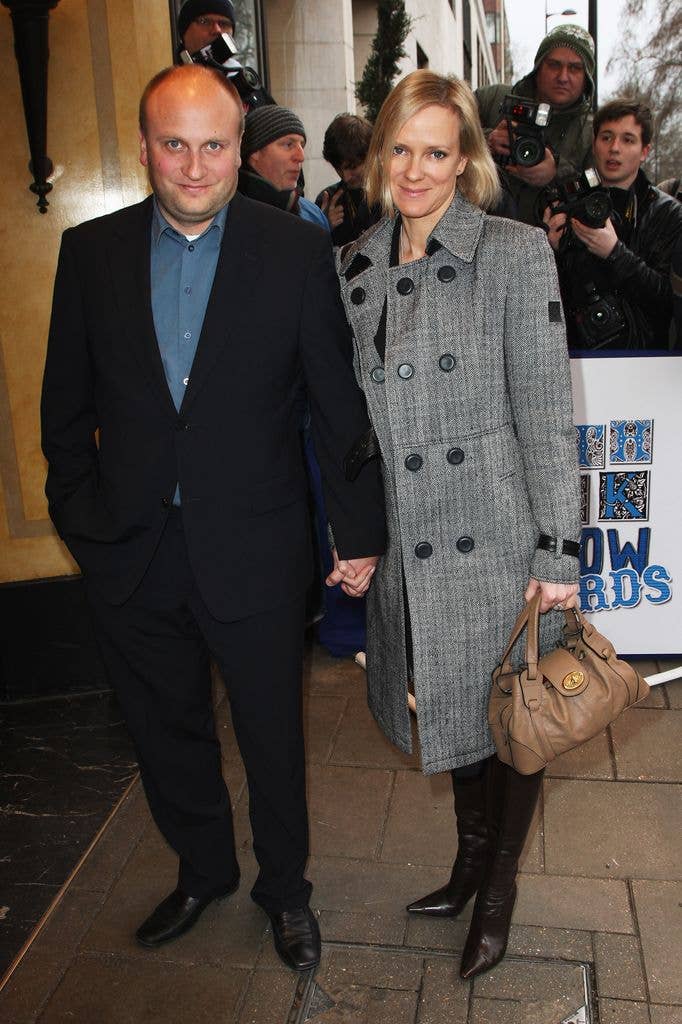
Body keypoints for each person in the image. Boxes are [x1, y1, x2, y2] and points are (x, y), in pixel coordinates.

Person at [40, 65, 385, 971]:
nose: (195, 167)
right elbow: (64, 414)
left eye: (215, 145)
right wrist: (83, 521)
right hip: (133, 550)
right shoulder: (90, 254)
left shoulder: (297, 252)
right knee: (166, 729)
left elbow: (335, 405)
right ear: (147, 143)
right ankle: (203, 871)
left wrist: (359, 532)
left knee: (273, 733)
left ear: (241, 147)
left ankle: (286, 890)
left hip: (257, 546)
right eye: (174, 144)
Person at [333, 69, 580, 979]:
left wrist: (559, 546)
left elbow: (546, 409)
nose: (416, 169)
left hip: (497, 535)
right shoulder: (353, 264)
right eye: (400, 148)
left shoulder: (513, 253)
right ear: (378, 156)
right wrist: (350, 538)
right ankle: (468, 861)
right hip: (408, 541)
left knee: (510, 719)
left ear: (466, 158)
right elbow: (346, 425)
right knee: (447, 711)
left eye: (437, 151)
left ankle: (501, 887)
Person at [544, 99, 682, 350]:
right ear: (594, 143)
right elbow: (547, 303)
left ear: (644, 151)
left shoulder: (668, 213)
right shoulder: (566, 199)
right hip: (576, 355)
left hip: (645, 359)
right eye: (606, 137)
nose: (614, 148)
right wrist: (549, 249)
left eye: (628, 140)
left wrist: (614, 253)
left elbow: (669, 300)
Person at [476, 24, 595, 226]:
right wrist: (485, 140)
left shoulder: (593, 133)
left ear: (587, 79)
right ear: (538, 67)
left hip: (547, 249)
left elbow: (597, 188)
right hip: (477, 237)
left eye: (575, 68)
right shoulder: (492, 99)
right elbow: (442, 133)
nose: (563, 77)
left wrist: (555, 171)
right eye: (554, 65)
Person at [238, 104, 329, 230]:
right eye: (288, 144)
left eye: (302, 145)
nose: (301, 156)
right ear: (255, 153)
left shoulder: (314, 216)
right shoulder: (226, 215)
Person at [315, 113, 381, 246]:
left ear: (370, 156)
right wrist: (322, 228)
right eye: (338, 169)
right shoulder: (327, 200)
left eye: (352, 167)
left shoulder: (394, 193)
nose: (345, 177)